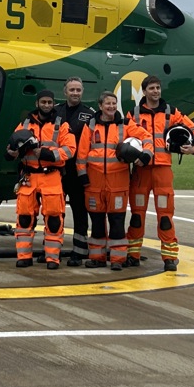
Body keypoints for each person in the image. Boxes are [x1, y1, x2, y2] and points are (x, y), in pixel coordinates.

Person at [125, 74, 194, 271]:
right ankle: (133, 254)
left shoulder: (171, 112)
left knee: (165, 215)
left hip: (163, 171)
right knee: (137, 215)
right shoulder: (133, 114)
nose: (156, 91)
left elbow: (192, 129)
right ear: (144, 91)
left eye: (158, 88)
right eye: (152, 88)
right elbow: (122, 135)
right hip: (141, 171)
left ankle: (169, 257)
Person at [76, 91, 153, 270]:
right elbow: (81, 154)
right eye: (107, 104)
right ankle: (97, 258)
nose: (111, 107)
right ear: (100, 106)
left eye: (113, 103)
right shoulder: (90, 125)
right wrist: (82, 175)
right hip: (93, 184)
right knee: (96, 222)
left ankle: (117, 260)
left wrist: (146, 155)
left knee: (117, 221)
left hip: (118, 184)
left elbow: (147, 137)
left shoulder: (126, 125)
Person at [4, 89, 76, 269]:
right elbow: (11, 146)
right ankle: (24, 256)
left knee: (54, 219)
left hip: (51, 176)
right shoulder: (25, 124)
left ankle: (52, 258)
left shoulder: (62, 125)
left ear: (53, 104)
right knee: (24, 219)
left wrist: (45, 153)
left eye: (49, 102)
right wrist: (10, 153)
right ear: (37, 104)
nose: (46, 105)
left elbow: (70, 150)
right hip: (29, 177)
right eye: (43, 102)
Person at [53, 76, 98, 265]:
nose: (75, 93)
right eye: (72, 90)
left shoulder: (90, 114)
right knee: (55, 211)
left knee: (80, 212)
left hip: (78, 172)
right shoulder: (55, 111)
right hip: (57, 171)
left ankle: (79, 252)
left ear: (82, 92)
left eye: (78, 90)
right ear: (65, 92)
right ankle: (53, 250)